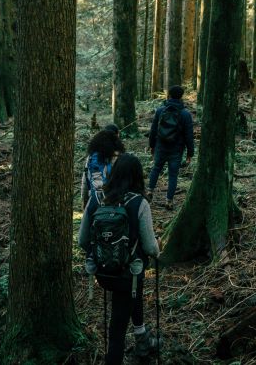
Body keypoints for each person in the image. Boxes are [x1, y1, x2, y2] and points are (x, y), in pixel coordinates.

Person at [79, 153, 160, 364]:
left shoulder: (96, 198)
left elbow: (82, 240)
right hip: (126, 277)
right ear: (137, 177)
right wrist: (155, 252)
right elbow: (151, 247)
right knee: (116, 329)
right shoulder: (139, 203)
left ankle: (141, 335)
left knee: (134, 286)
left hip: (102, 272)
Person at [147, 85, 194, 209]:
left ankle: (149, 191)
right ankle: (169, 201)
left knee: (156, 168)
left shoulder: (160, 110)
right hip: (176, 149)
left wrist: (152, 145)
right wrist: (190, 152)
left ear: (169, 95)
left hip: (160, 146)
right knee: (173, 175)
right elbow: (189, 135)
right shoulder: (185, 114)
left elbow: (153, 130)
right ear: (181, 96)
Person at [81, 128, 125, 209]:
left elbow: (85, 183)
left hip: (94, 201)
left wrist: (85, 203)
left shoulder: (91, 158)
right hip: (116, 203)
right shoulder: (119, 158)